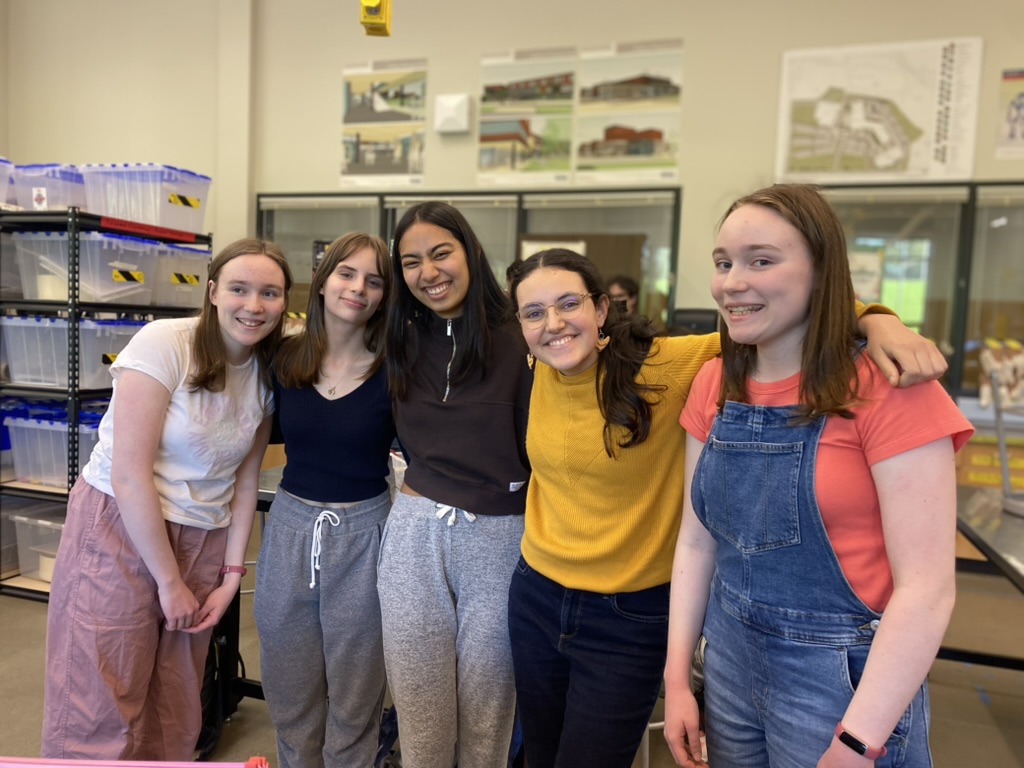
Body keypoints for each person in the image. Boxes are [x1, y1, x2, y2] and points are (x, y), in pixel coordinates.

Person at [505, 247, 948, 768]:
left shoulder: (667, 364)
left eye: (568, 304)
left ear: (601, 310)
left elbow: (782, 314)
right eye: (534, 313)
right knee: (535, 752)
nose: (552, 323)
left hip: (627, 613)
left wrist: (876, 322)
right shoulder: (537, 368)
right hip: (536, 592)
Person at [664, 184, 974, 768]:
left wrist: (859, 740)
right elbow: (697, 540)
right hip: (728, 658)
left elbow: (927, 592)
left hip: (842, 681)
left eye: (762, 260)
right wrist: (678, 677)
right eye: (724, 263)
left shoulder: (890, 386)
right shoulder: (713, 384)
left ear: (820, 271)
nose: (733, 282)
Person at [42, 238, 293, 761]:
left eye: (270, 293)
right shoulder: (165, 343)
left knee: (176, 701)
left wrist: (229, 579)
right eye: (240, 289)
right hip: (121, 527)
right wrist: (168, 581)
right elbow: (131, 475)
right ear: (212, 292)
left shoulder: (267, 372)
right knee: (101, 696)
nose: (254, 305)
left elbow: (245, 479)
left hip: (204, 534)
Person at [378, 201, 532, 768]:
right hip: (413, 533)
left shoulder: (522, 337)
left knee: (490, 704)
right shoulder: (397, 342)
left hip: (501, 536)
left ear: (469, 252)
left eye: (441, 253)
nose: (429, 272)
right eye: (412, 261)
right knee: (418, 701)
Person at [254, 232, 395, 768]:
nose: (358, 288)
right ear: (323, 279)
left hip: (366, 535)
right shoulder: (283, 358)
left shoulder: (393, 371)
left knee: (356, 699)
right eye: (347, 273)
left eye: (374, 280)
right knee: (290, 691)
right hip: (290, 530)